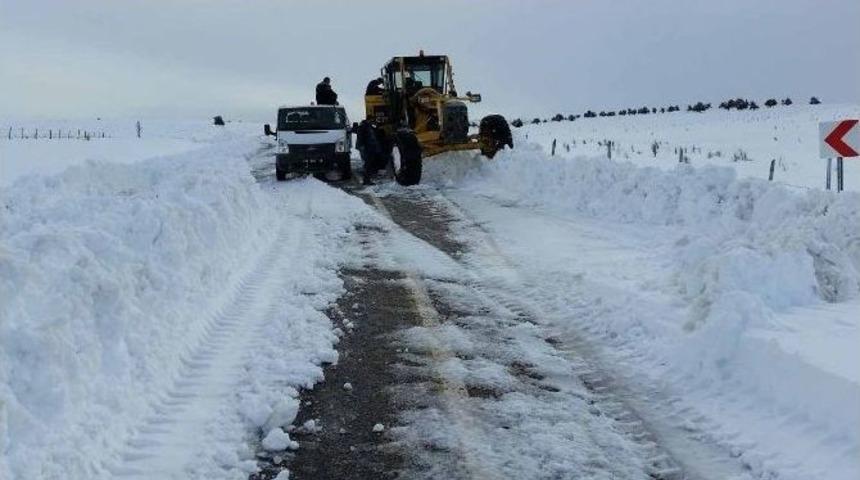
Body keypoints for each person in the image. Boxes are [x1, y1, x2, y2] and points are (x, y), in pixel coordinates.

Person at [355, 119, 382, 185]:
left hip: (368, 148)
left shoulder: (366, 127)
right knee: (368, 164)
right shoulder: (365, 128)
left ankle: (367, 179)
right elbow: (365, 139)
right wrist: (363, 147)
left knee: (368, 164)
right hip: (367, 149)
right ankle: (366, 180)